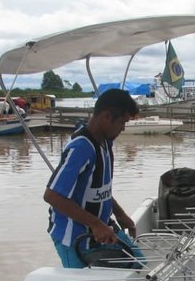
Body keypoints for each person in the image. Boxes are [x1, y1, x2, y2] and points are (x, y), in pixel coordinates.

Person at [44, 88, 144, 269]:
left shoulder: (106, 142)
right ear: (106, 116)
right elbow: (52, 196)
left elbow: (99, 190)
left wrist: (120, 214)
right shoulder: (81, 148)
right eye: (122, 122)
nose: (123, 128)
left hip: (103, 227)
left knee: (139, 265)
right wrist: (95, 225)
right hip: (74, 237)